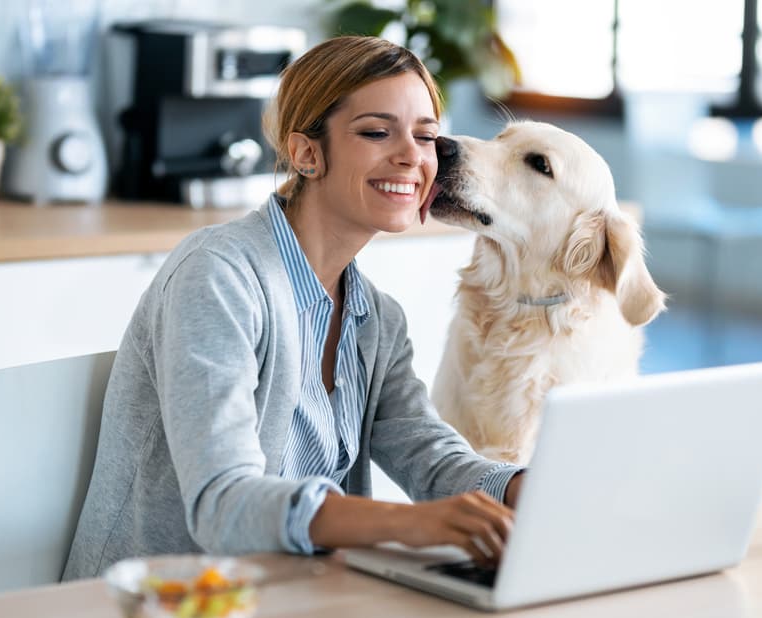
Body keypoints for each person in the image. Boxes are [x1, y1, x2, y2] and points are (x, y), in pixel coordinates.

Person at [62, 35, 524, 581]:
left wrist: (526, 486)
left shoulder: (377, 319)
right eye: (377, 132)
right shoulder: (219, 276)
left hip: (298, 614)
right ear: (306, 153)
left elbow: (432, 457)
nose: (411, 156)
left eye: (426, 137)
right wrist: (409, 523)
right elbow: (223, 504)